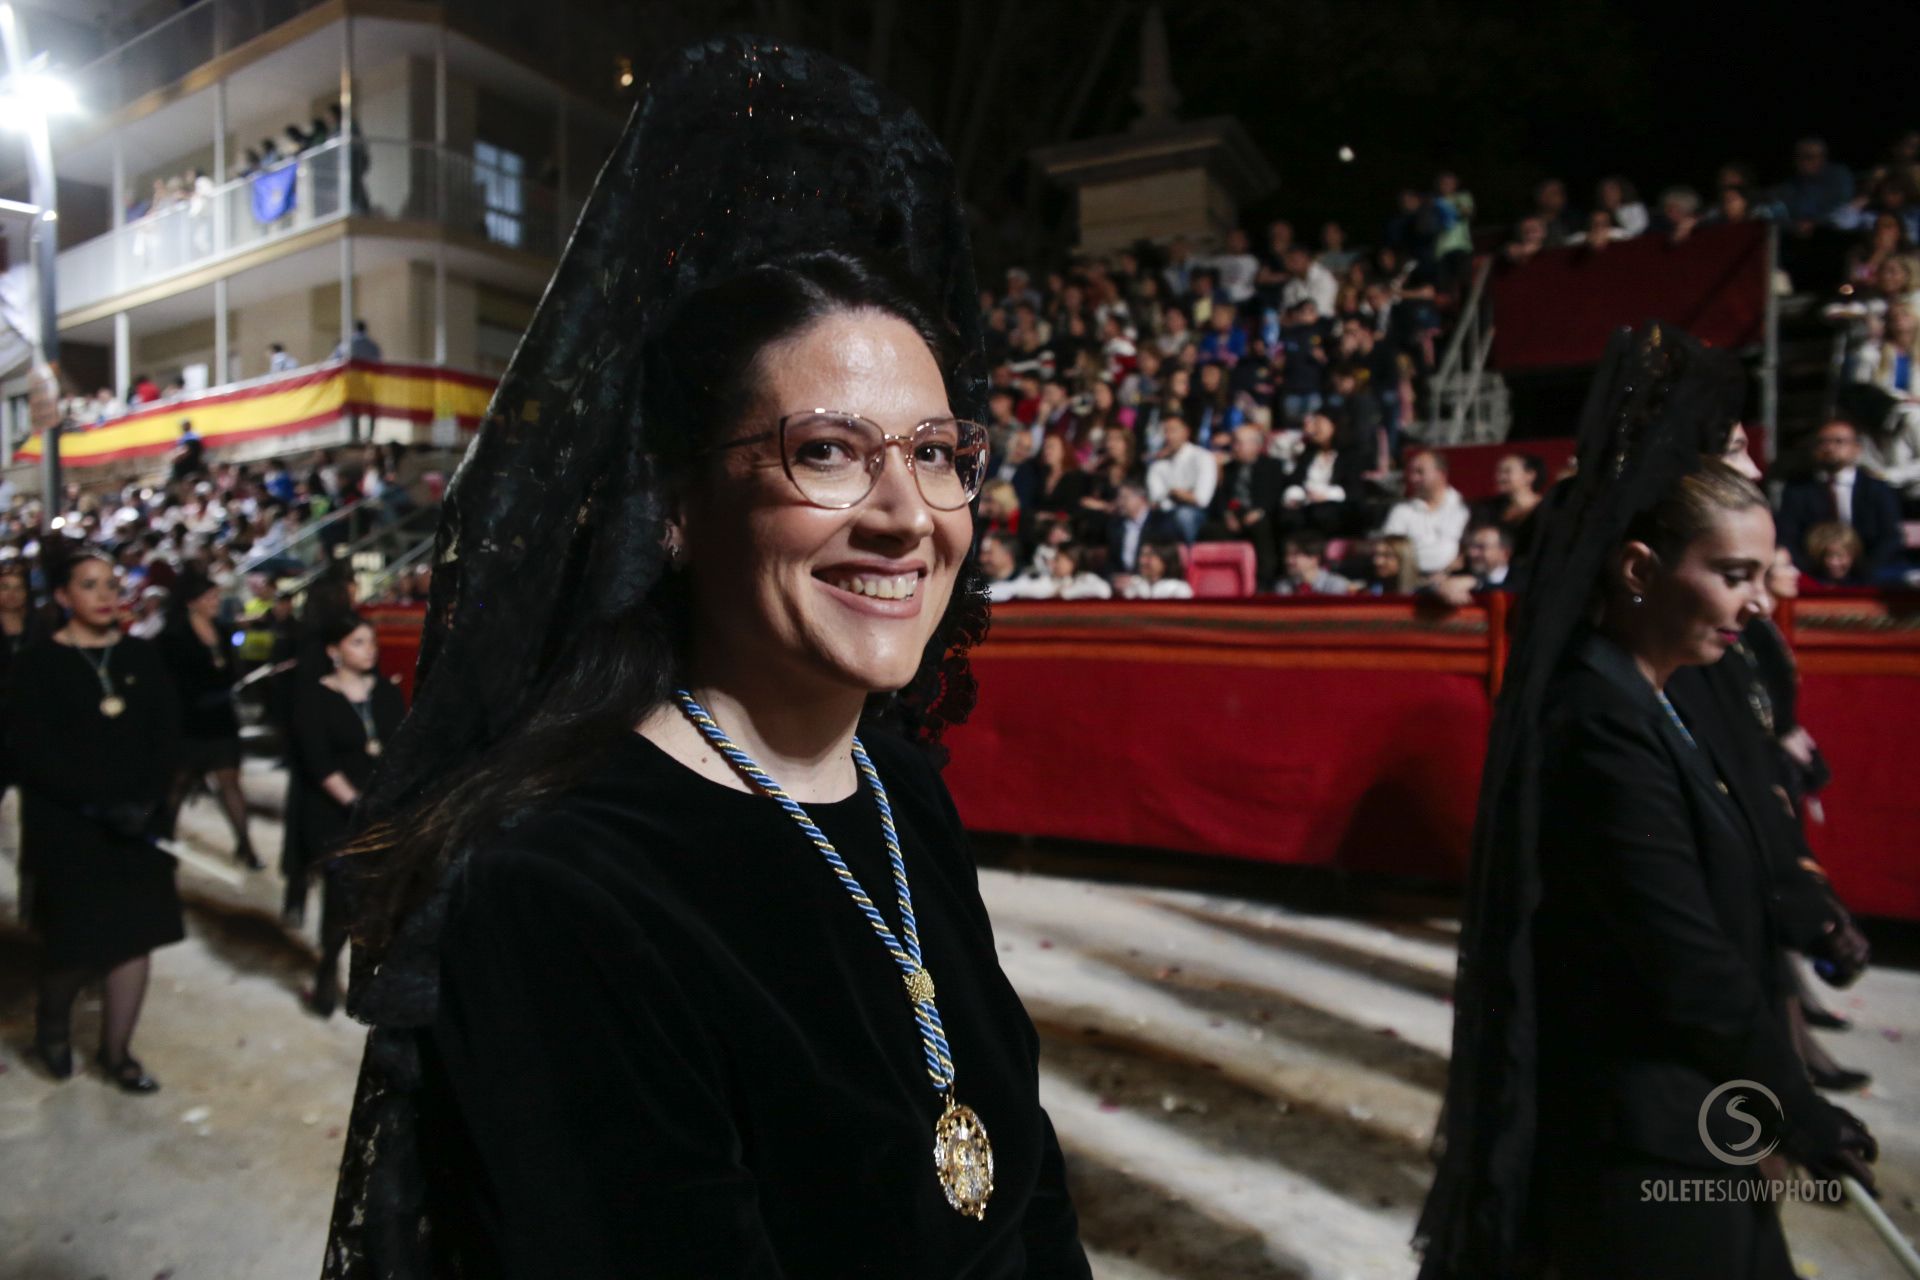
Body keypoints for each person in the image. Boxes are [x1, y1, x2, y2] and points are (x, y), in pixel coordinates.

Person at [321, 40, 1090, 1279]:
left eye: (938, 451)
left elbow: (1027, 1184)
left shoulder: (904, 794)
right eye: (830, 450)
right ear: (674, 508)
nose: (907, 513)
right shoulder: (564, 892)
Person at [1416, 328, 1878, 1280]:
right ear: (1637, 568)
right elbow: (1680, 958)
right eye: (1735, 575)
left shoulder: (1673, 681)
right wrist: (1795, 1097)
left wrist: (1798, 895)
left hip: (1703, 1115)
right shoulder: (1598, 716)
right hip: (1647, 1140)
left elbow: (1739, 836)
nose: (1758, 604)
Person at [7, 550, 183, 1093]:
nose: (107, 595)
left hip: (138, 825)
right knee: (76, 946)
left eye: (112, 584)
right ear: (63, 597)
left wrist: (149, 802)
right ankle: (52, 1026)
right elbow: (32, 754)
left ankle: (117, 1053)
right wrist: (97, 804)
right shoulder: (36, 664)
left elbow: (166, 733)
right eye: (90, 585)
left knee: (136, 936)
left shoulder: (141, 655)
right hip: (70, 830)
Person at [287, 613, 404, 1016]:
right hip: (335, 816)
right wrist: (358, 806)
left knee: (381, 900)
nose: (369, 649)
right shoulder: (314, 696)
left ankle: (367, 978)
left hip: (384, 811)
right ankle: (326, 971)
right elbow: (319, 764)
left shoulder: (387, 694)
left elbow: (400, 752)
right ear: (334, 650)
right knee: (343, 900)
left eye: (371, 642)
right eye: (358, 642)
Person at [157, 568, 259, 869]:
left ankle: (246, 845)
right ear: (192, 602)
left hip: (221, 719)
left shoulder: (225, 632)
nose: (216, 601)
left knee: (230, 783)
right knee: (179, 784)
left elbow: (231, 672)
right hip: (189, 722)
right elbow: (171, 683)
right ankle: (163, 841)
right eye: (209, 596)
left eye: (216, 595)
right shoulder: (172, 636)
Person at [1774, 419, 1902, 580]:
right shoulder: (1797, 490)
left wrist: (1864, 572)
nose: (1830, 448)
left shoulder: (1878, 490)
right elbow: (1787, 537)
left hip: (1868, 578)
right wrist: (1812, 574)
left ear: (1857, 448)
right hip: (1814, 578)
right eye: (1823, 442)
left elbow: (1890, 538)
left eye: (1839, 441)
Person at [1201, 424, 1286, 583]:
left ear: (1256, 445)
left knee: (1262, 527)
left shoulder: (1272, 466)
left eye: (1240, 443)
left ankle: (1264, 581)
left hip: (1261, 514)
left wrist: (1260, 511)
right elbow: (1220, 498)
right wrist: (1227, 514)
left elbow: (1275, 494)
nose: (1235, 447)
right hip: (1234, 515)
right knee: (1210, 529)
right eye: (1234, 442)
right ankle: (1224, 580)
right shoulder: (1227, 469)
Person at [1381, 449, 1470, 578]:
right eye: (1411, 472)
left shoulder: (1463, 507)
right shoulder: (1401, 511)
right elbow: (1390, 549)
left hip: (1453, 579)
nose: (1413, 478)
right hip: (1410, 580)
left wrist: (1446, 573)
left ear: (1441, 474)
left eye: (1420, 472)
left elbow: (1468, 549)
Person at [1145, 415, 1217, 542]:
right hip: (1164, 514)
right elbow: (1155, 499)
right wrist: (1178, 494)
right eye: (1165, 431)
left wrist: (1174, 494)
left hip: (1196, 514)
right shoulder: (1157, 464)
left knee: (1184, 515)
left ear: (1186, 432)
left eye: (1173, 430)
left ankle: (1189, 557)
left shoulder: (1202, 457)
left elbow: (1201, 499)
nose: (1168, 436)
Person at [1274, 532, 1353, 595]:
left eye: (1295, 555)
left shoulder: (1337, 585)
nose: (1288, 560)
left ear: (1314, 558)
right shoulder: (1283, 586)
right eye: (1287, 555)